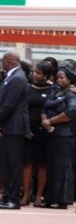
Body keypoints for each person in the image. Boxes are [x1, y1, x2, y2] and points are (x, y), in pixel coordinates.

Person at [0, 51, 29, 210]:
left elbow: (9, 105)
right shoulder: (12, 76)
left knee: (14, 164)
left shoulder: (18, 78)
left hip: (14, 127)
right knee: (6, 164)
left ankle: (13, 198)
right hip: (8, 126)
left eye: (3, 61)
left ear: (10, 61)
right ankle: (6, 196)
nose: (1, 63)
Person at [40, 65, 76, 208]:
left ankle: (62, 200)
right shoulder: (55, 91)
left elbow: (71, 113)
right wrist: (44, 121)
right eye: (58, 77)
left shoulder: (71, 94)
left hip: (64, 136)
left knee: (63, 168)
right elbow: (44, 108)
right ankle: (50, 198)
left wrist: (51, 121)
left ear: (69, 79)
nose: (59, 79)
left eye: (63, 77)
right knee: (52, 168)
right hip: (50, 134)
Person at [24, 61, 55, 207]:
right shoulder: (27, 88)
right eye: (34, 72)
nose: (35, 75)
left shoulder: (53, 90)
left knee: (43, 164)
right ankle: (25, 195)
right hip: (29, 132)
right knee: (27, 163)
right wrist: (25, 129)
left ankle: (38, 196)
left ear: (46, 76)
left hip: (45, 133)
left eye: (38, 73)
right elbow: (22, 109)